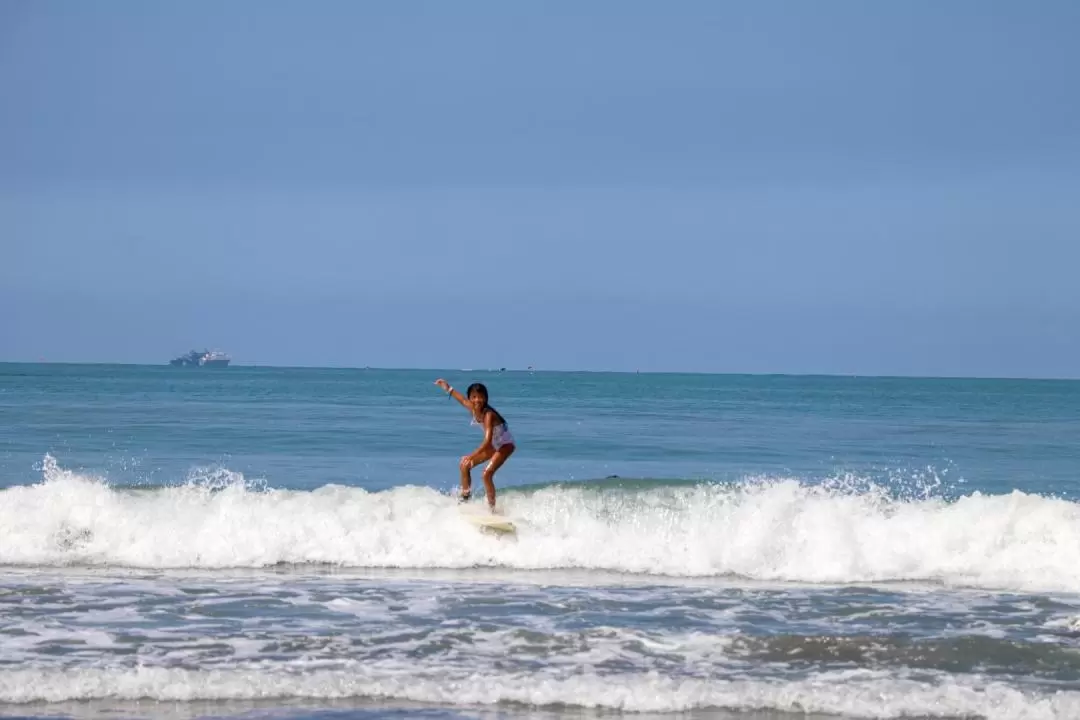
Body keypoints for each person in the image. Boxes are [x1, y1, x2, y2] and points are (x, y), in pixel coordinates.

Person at [434, 379, 515, 510]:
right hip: (494, 445)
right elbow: (461, 400)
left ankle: (492, 509)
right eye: (474, 397)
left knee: (486, 474)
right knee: (464, 466)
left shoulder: (489, 415)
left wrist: (471, 455)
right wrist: (447, 388)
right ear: (470, 398)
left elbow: (487, 440)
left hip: (505, 445)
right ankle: (465, 499)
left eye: (481, 397)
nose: (478, 400)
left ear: (486, 398)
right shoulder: (472, 408)